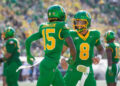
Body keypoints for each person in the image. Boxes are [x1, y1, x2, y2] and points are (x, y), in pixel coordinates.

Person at [25, 5, 76, 86]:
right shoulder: (61, 26)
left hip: (49, 64)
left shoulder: (43, 26)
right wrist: (73, 59)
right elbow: (72, 45)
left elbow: (28, 40)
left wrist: (28, 54)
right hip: (50, 65)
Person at [61, 10, 104, 86]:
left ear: (87, 23)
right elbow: (61, 51)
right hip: (73, 69)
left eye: (80, 22)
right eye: (77, 22)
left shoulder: (94, 34)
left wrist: (99, 57)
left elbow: (101, 49)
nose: (77, 24)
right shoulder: (71, 34)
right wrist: (62, 59)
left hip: (88, 69)